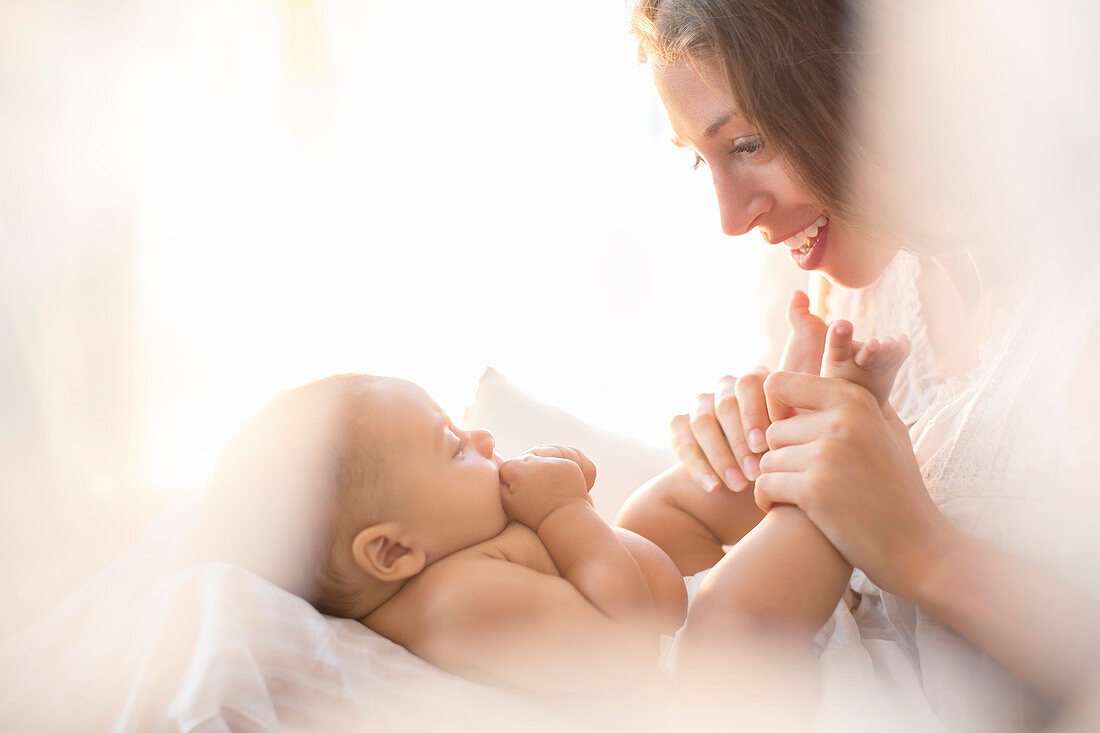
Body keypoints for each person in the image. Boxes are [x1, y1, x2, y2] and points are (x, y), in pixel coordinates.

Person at [624, 0, 1100, 729]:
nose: (730, 216)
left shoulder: (1077, 316)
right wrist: (744, 449)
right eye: (701, 157)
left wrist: (924, 553)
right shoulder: (850, 297)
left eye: (747, 143)